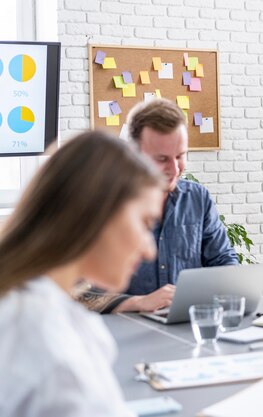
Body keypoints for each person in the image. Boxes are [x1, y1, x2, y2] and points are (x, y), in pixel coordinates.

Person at [0, 131, 164, 416]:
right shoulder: (43, 340)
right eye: (144, 222)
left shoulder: (44, 308)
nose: (150, 250)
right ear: (97, 211)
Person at [77, 99, 239, 313]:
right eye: (162, 159)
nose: (174, 168)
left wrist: (232, 291)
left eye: (180, 156)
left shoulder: (197, 197)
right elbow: (77, 292)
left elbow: (222, 260)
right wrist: (138, 302)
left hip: (186, 326)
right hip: (124, 330)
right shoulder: (101, 205)